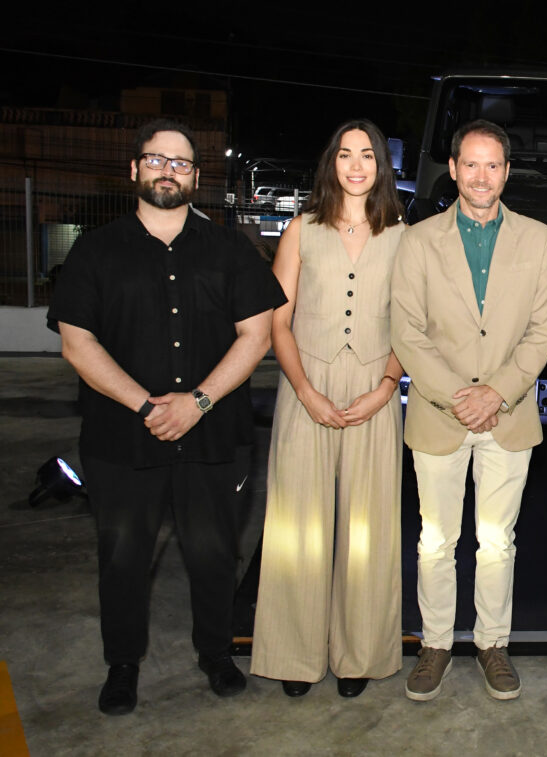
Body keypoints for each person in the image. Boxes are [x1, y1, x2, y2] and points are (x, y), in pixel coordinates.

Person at [47, 118, 286, 715]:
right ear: (134, 170)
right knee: (123, 555)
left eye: (180, 163)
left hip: (214, 437)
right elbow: (77, 343)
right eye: (155, 159)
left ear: (196, 178)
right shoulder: (97, 250)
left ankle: (216, 654)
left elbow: (256, 336)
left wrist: (198, 401)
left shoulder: (231, 250)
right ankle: (122, 665)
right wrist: (148, 405)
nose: (167, 170)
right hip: (121, 438)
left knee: (213, 551)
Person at [390, 119, 547, 701]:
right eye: (471, 164)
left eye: (493, 165)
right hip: (439, 415)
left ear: (506, 172)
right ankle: (435, 643)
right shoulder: (419, 240)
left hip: (508, 417)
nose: (481, 176)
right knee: (435, 540)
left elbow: (543, 331)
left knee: (497, 540)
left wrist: (499, 393)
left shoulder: (538, 239)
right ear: (454, 169)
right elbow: (407, 331)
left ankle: (493, 643)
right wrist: (458, 396)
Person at [250, 120, 407, 699]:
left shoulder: (401, 234)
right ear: (331, 163)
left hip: (375, 388)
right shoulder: (301, 230)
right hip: (305, 386)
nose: (357, 164)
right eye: (346, 154)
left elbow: (410, 324)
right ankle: (294, 654)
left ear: (381, 166)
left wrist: (387, 385)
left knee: (367, 528)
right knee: (298, 526)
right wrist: (307, 392)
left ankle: (358, 655)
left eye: (367, 155)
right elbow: (277, 321)